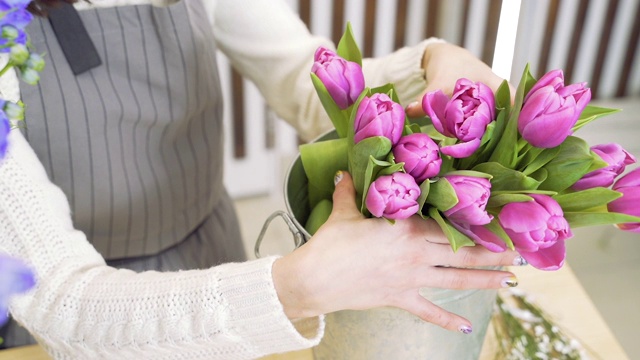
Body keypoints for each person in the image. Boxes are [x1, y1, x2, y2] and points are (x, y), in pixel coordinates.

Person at [0, 0, 522, 358]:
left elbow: (302, 75)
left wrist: (430, 65)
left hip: (204, 256)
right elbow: (60, 303)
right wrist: (297, 287)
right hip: (74, 324)